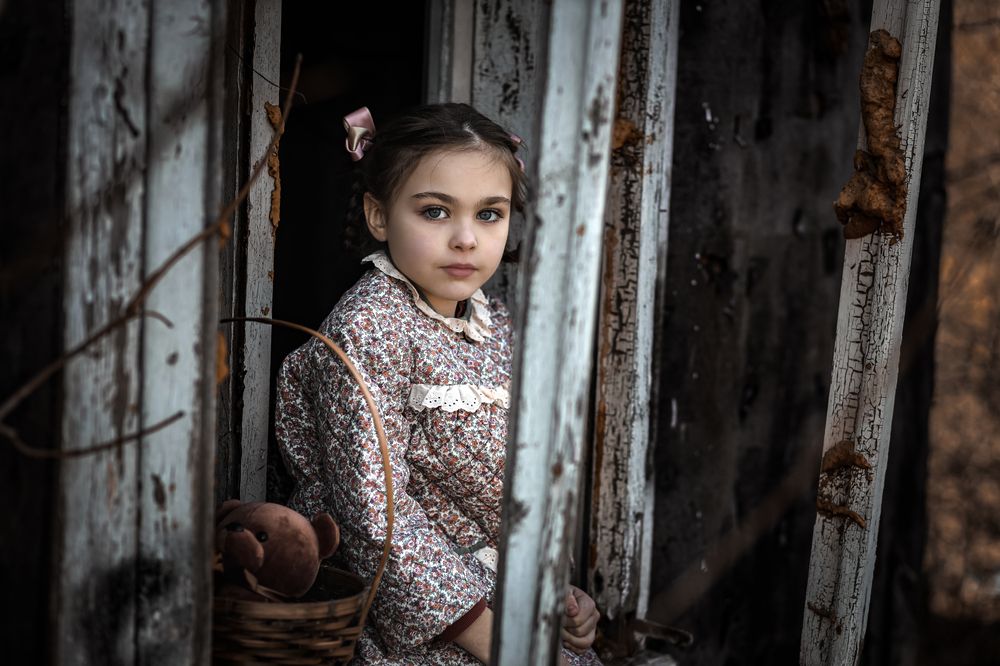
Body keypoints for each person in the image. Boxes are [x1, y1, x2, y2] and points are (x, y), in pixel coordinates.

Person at [275, 103, 602, 665]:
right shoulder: (370, 325)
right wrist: (495, 640)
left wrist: (553, 593)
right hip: (414, 617)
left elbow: (513, 489)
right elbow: (374, 511)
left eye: (490, 214)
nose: (466, 239)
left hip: (500, 601)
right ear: (379, 216)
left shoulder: (493, 322)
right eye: (435, 212)